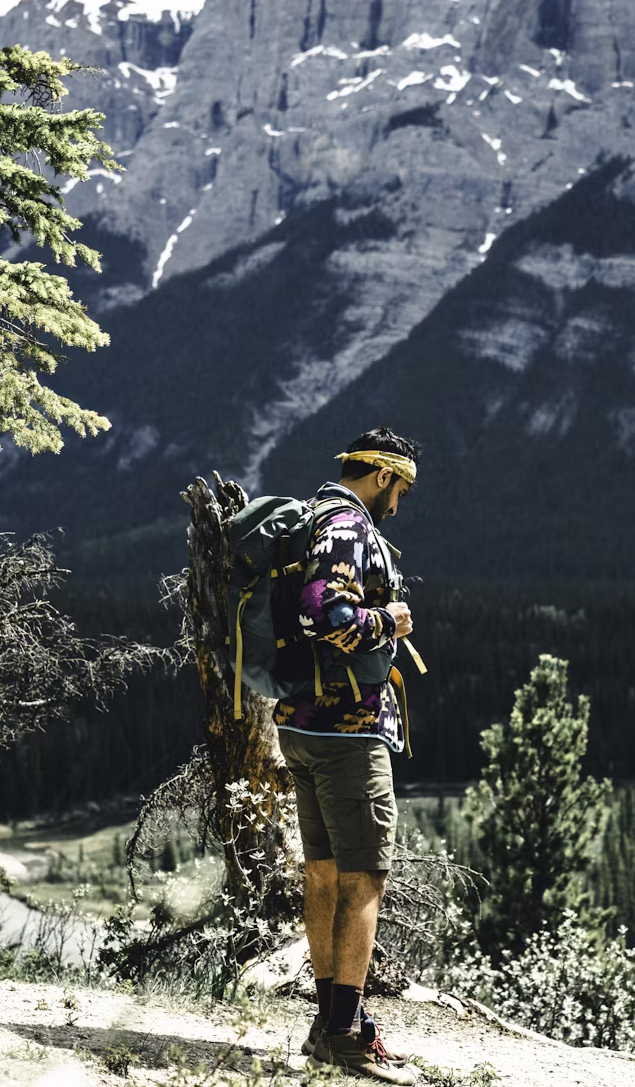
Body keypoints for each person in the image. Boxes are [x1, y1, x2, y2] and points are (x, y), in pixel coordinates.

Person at [273, 427, 422, 1083]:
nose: (401, 501)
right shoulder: (347, 527)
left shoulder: (312, 518)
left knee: (326, 874)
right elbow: (321, 613)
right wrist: (391, 622)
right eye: (403, 487)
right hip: (346, 732)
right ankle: (343, 1033)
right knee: (363, 878)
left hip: (304, 725)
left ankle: (332, 1022)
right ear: (384, 476)